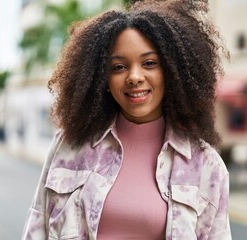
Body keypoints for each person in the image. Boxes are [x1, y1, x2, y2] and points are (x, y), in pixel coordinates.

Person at [22, 0, 231, 239]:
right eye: (119, 67)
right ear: (103, 79)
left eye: (149, 63)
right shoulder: (69, 145)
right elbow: (36, 229)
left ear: (173, 71)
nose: (134, 77)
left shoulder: (206, 167)